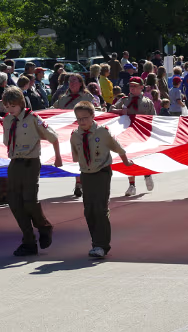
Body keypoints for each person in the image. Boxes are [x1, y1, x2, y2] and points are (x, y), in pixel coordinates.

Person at [2, 86, 62, 256]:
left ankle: (44, 226)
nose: (10, 109)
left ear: (21, 103)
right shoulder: (7, 121)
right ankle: (28, 241)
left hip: (31, 162)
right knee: (14, 202)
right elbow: (7, 143)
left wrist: (58, 157)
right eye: (7, 106)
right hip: (15, 162)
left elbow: (54, 137)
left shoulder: (33, 119)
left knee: (29, 200)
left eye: (12, 106)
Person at [71, 100, 133, 258]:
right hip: (86, 173)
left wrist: (126, 161)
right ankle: (95, 243)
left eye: (85, 118)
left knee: (100, 209)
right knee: (89, 211)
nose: (82, 121)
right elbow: (76, 157)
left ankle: (102, 245)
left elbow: (118, 148)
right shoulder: (75, 135)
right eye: (79, 119)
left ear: (93, 116)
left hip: (101, 172)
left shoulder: (102, 132)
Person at [109, 77, 156, 196]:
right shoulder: (124, 100)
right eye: (130, 86)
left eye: (135, 86)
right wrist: (120, 112)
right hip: (127, 134)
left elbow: (154, 119)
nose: (132, 88)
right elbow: (111, 110)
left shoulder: (147, 102)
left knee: (143, 156)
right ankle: (132, 185)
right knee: (129, 158)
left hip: (142, 134)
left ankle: (147, 174)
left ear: (141, 87)